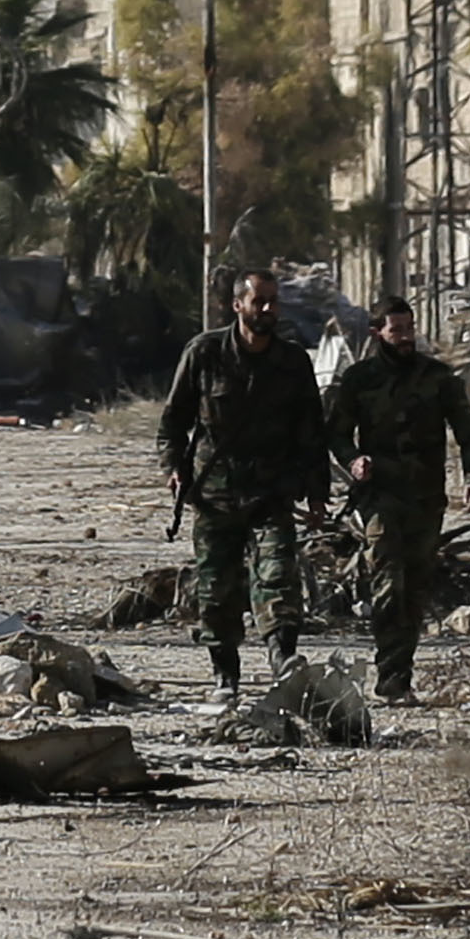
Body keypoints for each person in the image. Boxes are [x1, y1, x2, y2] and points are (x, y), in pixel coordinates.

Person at [158, 269, 327, 699]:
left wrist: (317, 488)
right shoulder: (205, 353)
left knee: (278, 576)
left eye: (274, 301)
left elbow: (311, 430)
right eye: (259, 302)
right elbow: (174, 421)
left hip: (272, 490)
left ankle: (281, 661)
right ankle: (225, 676)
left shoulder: (292, 362)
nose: (268, 309)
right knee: (216, 589)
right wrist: (173, 468)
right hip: (214, 493)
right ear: (238, 305)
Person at [317, 290, 470, 702]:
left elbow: (468, 431)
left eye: (410, 329)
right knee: (387, 583)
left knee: (414, 588)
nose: (406, 337)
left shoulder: (437, 378)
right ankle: (390, 674)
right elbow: (336, 433)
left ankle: (401, 676)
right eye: (397, 330)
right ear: (378, 333)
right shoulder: (360, 380)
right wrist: (353, 460)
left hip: (426, 498)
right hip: (380, 497)